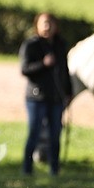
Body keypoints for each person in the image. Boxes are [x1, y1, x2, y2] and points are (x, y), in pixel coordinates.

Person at [19, 12, 71, 176]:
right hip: (36, 98)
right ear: (37, 26)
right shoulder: (31, 45)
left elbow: (65, 70)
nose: (47, 27)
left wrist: (68, 92)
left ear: (56, 26)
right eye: (44, 23)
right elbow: (25, 69)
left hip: (56, 98)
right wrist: (43, 64)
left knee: (55, 134)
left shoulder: (60, 45)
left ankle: (54, 169)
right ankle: (27, 169)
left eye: (50, 23)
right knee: (34, 134)